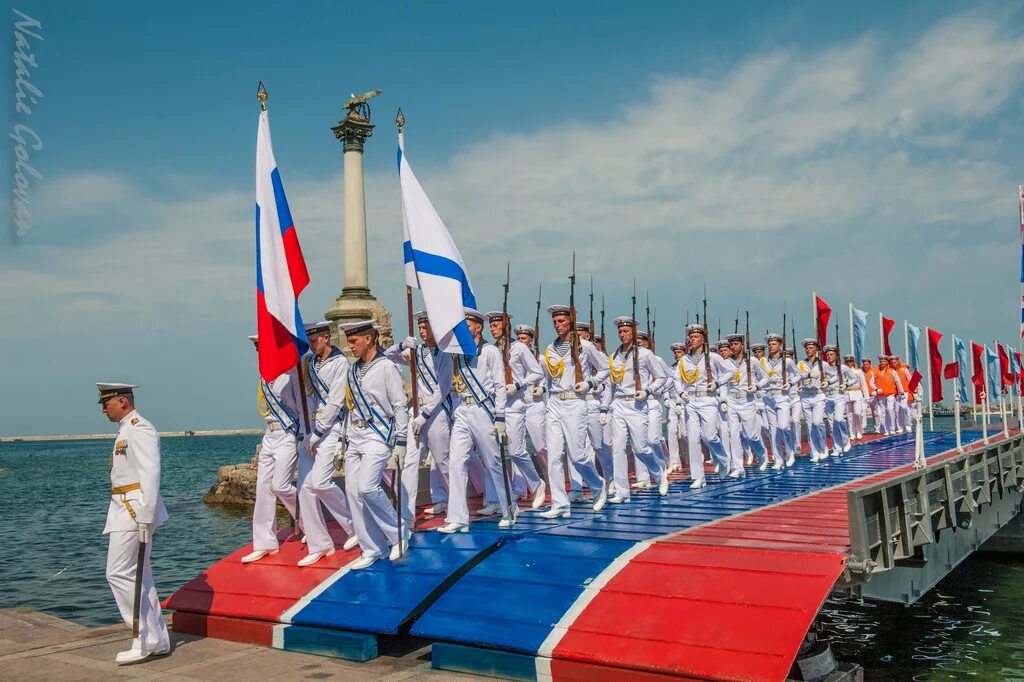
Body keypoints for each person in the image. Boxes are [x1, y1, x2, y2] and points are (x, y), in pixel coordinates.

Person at [98, 383, 171, 664]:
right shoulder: (126, 429)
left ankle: (143, 637)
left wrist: (145, 513)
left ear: (122, 402)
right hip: (124, 508)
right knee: (141, 577)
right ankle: (157, 639)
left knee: (118, 573)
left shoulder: (139, 428)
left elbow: (151, 472)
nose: (104, 409)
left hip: (133, 510)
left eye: (107, 404)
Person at [339, 320, 410, 570]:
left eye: (353, 341)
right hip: (354, 436)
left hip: (377, 435)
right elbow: (349, 407)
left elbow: (400, 405)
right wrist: (343, 439)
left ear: (368, 339)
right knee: (353, 493)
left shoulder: (386, 367)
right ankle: (373, 547)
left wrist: (401, 441)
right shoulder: (352, 370)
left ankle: (398, 533)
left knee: (368, 487)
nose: (350, 346)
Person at [438, 309, 515, 532]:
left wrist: (500, 416)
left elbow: (500, 385)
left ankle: (508, 507)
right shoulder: (458, 352)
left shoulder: (489, 351)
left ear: (477, 327)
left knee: (493, 462)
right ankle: (458, 518)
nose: (463, 329)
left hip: (483, 408)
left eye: (467, 325)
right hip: (463, 408)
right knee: (456, 461)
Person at [538, 304, 610, 518]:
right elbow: (549, 375)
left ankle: (597, 484)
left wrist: (590, 383)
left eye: (561, 321)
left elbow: (606, 368)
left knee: (578, 455)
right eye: (554, 322)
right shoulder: (551, 348)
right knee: (553, 456)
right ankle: (559, 504)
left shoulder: (586, 347)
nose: (557, 326)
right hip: (554, 403)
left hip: (575, 402)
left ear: (570, 321)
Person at [298, 321, 356, 566]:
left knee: (321, 482)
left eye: (314, 340)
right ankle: (319, 544)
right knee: (304, 489)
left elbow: (334, 402)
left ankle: (353, 526)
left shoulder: (339, 363)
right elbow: (309, 398)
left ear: (325, 338)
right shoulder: (309, 364)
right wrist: (305, 432)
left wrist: (318, 432)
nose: (311, 345)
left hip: (329, 430)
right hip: (310, 430)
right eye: (308, 341)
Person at [386, 311, 454, 518]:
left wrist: (424, 415)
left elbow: (443, 388)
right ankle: (407, 513)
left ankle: (456, 500)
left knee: (442, 461)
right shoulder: (417, 352)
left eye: (426, 328)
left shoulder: (444, 353)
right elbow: (388, 356)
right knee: (409, 461)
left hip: (435, 412)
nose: (422, 332)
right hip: (415, 411)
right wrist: (401, 345)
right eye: (420, 328)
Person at [242, 336, 300, 564]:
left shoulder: (290, 373)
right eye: (257, 349)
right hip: (270, 433)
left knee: (281, 485)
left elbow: (299, 405)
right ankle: (264, 542)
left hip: (288, 433)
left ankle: (308, 519)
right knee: (263, 488)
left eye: (262, 347)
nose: (259, 352)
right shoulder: (264, 375)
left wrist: (303, 434)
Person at [604, 316, 670, 502]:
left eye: (626, 331)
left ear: (633, 331)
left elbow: (661, 377)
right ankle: (622, 492)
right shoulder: (614, 357)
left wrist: (648, 390)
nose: (622, 334)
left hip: (637, 403)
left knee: (640, 448)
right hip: (618, 404)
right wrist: (604, 407)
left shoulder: (645, 354)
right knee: (617, 448)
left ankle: (658, 471)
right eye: (620, 331)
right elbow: (611, 385)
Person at [487, 311, 547, 510]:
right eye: (491, 325)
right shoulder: (490, 349)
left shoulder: (519, 348)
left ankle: (537, 484)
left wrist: (519, 385)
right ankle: (496, 499)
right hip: (496, 404)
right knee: (492, 452)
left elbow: (536, 372)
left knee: (516, 451)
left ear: (504, 326)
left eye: (496, 325)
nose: (492, 328)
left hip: (514, 404)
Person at [675, 325, 733, 489]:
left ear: (702, 339)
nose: (692, 339)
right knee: (693, 439)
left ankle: (723, 458)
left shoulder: (712, 357)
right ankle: (698, 476)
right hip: (691, 401)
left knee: (709, 436)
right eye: (690, 336)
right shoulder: (684, 360)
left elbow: (730, 371)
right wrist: (681, 393)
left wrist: (717, 383)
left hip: (707, 400)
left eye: (695, 336)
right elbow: (676, 380)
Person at [724, 333, 769, 476]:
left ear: (742, 345)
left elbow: (765, 377)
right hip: (732, 400)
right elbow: (723, 382)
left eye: (736, 344)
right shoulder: (725, 362)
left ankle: (762, 454)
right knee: (734, 435)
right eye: (731, 344)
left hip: (747, 400)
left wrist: (756, 386)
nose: (733, 347)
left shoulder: (752, 361)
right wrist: (723, 400)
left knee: (751, 435)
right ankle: (738, 468)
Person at [762, 334, 799, 467]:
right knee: (773, 430)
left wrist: (789, 383)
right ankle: (778, 458)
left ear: (780, 346)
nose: (771, 346)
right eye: (769, 344)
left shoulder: (787, 361)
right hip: (768, 397)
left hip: (782, 396)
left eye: (773, 344)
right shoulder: (763, 362)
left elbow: (797, 375)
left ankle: (790, 452)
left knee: (784, 426)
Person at [797, 339, 828, 462]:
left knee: (817, 423)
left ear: (816, 349)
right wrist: (806, 375)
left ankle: (823, 447)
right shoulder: (801, 364)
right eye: (807, 348)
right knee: (809, 425)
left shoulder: (823, 364)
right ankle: (814, 452)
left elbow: (834, 375)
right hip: (805, 395)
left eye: (811, 347)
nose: (809, 350)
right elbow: (795, 376)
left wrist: (827, 382)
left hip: (818, 395)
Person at [822, 345, 851, 457]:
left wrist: (846, 385)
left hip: (838, 395)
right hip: (827, 396)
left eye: (831, 354)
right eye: (828, 355)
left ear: (836, 355)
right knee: (831, 424)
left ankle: (845, 439)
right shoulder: (823, 367)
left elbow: (854, 378)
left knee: (839, 419)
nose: (829, 357)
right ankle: (836, 448)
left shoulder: (843, 368)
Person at [844, 355, 870, 441]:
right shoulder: (841, 372)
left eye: (850, 362)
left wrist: (866, 397)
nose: (848, 363)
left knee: (857, 413)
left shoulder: (858, 372)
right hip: (847, 394)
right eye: (847, 362)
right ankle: (852, 433)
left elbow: (864, 384)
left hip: (857, 393)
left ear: (853, 362)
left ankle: (859, 431)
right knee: (849, 416)